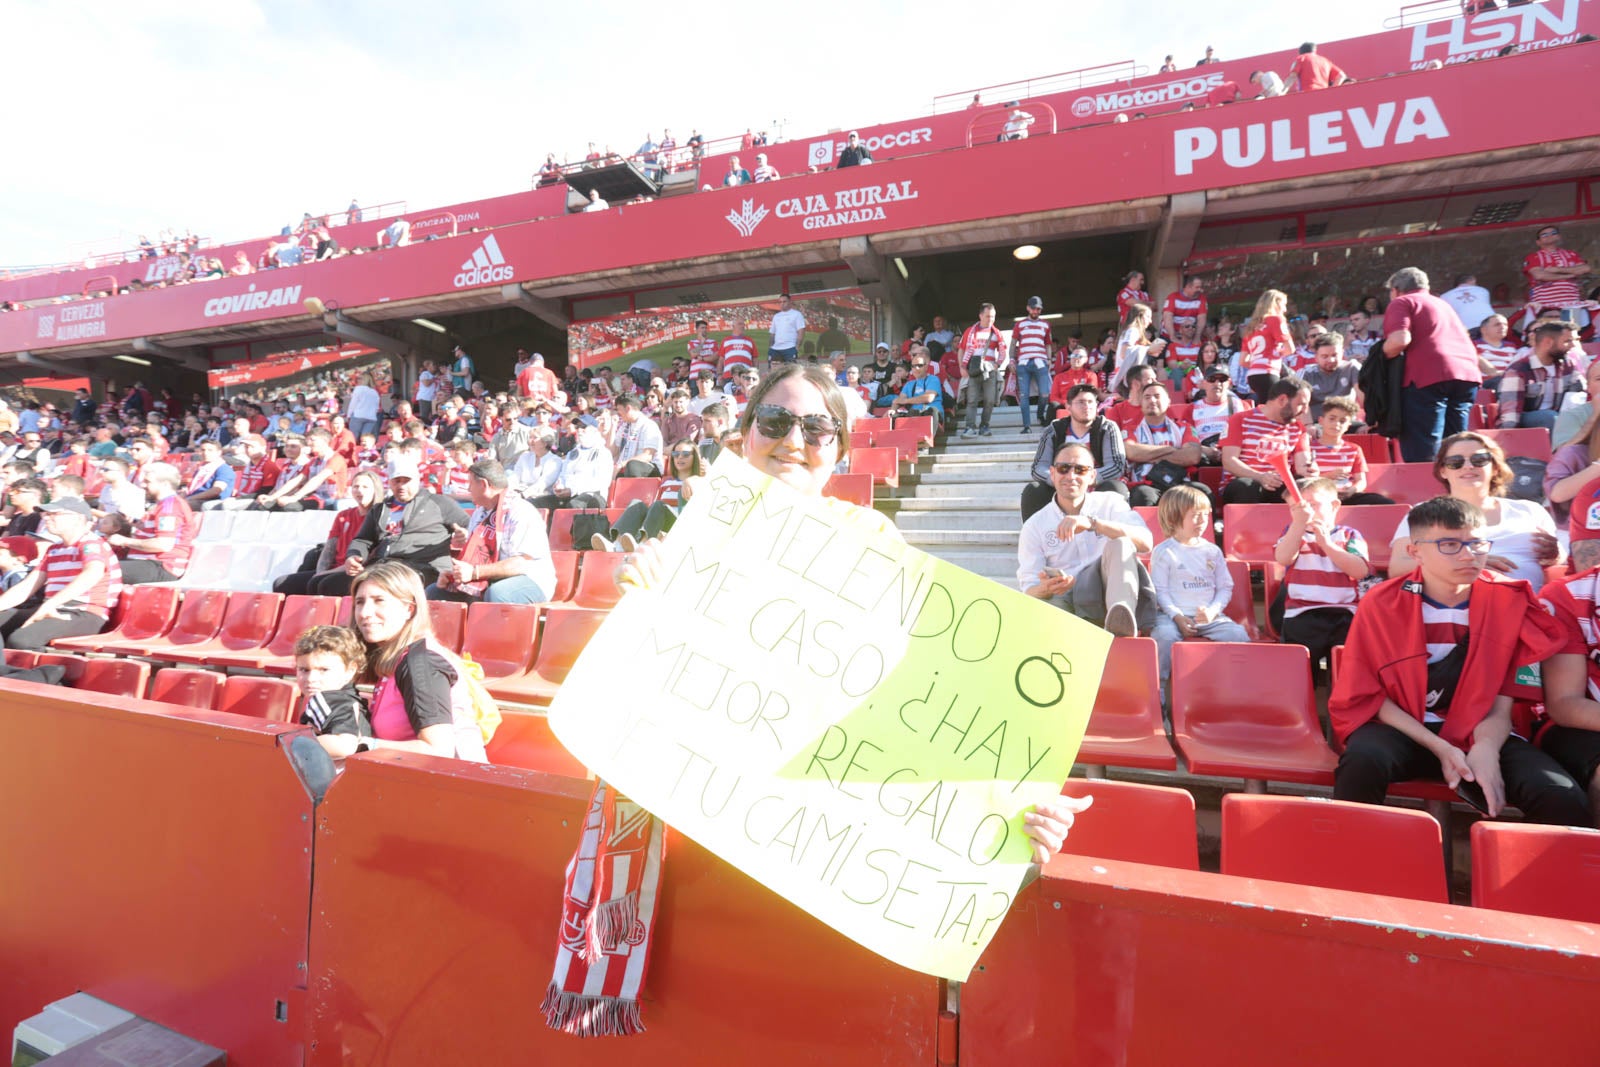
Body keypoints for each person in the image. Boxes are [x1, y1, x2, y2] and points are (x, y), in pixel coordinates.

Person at [1330, 496, 1589, 825]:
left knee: (1559, 794)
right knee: (1362, 762)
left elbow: (1502, 703)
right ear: (1415, 551)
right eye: (1450, 544)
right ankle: (1351, 870)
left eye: (1478, 543)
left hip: (1483, 729)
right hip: (1404, 730)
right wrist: (1441, 747)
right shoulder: (1382, 603)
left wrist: (1486, 748)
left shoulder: (1511, 600)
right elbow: (1370, 695)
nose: (1470, 555)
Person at [346, 561, 488, 762]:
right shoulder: (396, 658)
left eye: (379, 600)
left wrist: (362, 745)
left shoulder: (422, 664)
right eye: (360, 602)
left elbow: (439, 750)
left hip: (451, 785)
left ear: (409, 609)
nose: (364, 612)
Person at [1017, 443, 1155, 637]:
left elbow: (1146, 542)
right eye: (1063, 468)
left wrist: (1094, 524)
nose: (1071, 476)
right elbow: (1028, 588)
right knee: (1040, 612)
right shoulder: (1035, 525)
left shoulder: (1110, 503)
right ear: (1052, 473)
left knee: (1121, 543)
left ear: (1092, 476)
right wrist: (1045, 588)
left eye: (1080, 470)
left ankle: (1121, 618)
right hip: (1067, 597)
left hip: (1108, 590)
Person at [1389, 432, 1559, 588]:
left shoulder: (1530, 511)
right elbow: (1398, 567)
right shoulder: (1425, 513)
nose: (1468, 466)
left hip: (1526, 606)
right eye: (1455, 462)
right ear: (1443, 471)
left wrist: (1555, 555)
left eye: (1479, 460)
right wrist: (1468, 562)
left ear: (1495, 468)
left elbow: (1559, 563)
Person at [1149, 485, 1249, 690]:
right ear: (1172, 519)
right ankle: (1159, 690)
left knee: (1238, 635)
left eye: (1206, 515)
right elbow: (1160, 591)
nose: (1203, 521)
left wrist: (1212, 611)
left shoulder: (1212, 551)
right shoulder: (1164, 552)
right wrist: (1177, 616)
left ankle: (1236, 689)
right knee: (1164, 636)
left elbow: (1225, 587)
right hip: (1171, 617)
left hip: (1211, 619)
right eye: (1195, 515)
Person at [325, 456, 470, 596]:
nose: (401, 486)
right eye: (397, 481)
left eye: (406, 481)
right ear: (390, 482)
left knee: (363, 585)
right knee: (323, 584)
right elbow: (363, 539)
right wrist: (354, 556)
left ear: (417, 480)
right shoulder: (380, 509)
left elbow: (471, 526)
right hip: (384, 566)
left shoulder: (440, 503)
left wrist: (464, 534)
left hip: (423, 567)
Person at [1381, 267, 1483, 463]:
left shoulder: (1402, 301)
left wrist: (1377, 358)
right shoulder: (1443, 304)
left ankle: (1425, 489)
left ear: (1395, 289)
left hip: (1427, 376)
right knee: (1456, 445)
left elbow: (1399, 340)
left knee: (1424, 449)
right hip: (1466, 374)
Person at [1272, 478, 1371, 678]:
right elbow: (1283, 557)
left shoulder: (1349, 534)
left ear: (1334, 506)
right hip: (1302, 613)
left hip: (1345, 614)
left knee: (1347, 673)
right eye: (1296, 508)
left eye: (1313, 505)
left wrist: (1327, 544)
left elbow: (1360, 571)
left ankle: (1342, 705)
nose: (1306, 512)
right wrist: (1298, 524)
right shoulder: (1292, 533)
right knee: (1302, 674)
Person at [0, 498, 121, 651]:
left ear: (78, 518)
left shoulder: (91, 543)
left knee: (22, 640)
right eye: (46, 515)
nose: (46, 518)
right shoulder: (54, 549)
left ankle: (43, 673)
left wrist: (51, 603)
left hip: (84, 612)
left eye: (54, 514)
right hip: (54, 608)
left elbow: (93, 572)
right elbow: (27, 586)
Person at [1024, 384, 1129, 520]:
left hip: (1096, 484)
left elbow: (1116, 465)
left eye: (1091, 402)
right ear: (1068, 406)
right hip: (1063, 486)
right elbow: (1038, 468)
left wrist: (1086, 479)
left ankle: (1110, 535)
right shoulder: (1054, 430)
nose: (1087, 406)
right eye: (1081, 402)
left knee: (1115, 487)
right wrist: (1058, 480)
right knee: (1035, 489)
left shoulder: (1107, 427)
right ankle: (1037, 535)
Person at [1220, 378, 1313, 505]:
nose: (1305, 410)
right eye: (1301, 404)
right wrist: (1260, 476)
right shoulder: (1240, 419)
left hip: (1278, 483)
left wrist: (1310, 469)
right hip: (1244, 482)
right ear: (1282, 400)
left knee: (1302, 486)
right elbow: (1229, 461)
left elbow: (1303, 464)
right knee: (1246, 486)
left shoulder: (1297, 428)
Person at [110, 463, 198, 584]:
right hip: (149, 562)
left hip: (162, 565)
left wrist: (124, 541)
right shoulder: (164, 505)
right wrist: (133, 522)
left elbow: (163, 544)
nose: (142, 485)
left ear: (165, 484)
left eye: (147, 481)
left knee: (97, 570)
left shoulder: (170, 506)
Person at [293, 625, 374, 757]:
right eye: (304, 669)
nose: (311, 679)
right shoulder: (349, 698)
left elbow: (345, 746)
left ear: (350, 670)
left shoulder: (329, 699)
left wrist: (294, 744)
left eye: (324, 670)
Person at [1124, 383, 1208, 507]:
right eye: (1147, 397)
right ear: (1141, 403)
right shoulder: (1131, 429)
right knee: (1142, 495)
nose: (1152, 400)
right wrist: (1172, 450)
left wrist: (1148, 456)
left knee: (1203, 492)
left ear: (1168, 401)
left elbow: (1193, 456)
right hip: (1147, 483)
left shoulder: (1184, 427)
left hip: (1179, 482)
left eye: (1157, 396)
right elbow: (1131, 452)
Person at [1496, 320, 1583, 431]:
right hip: (1527, 420)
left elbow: (1580, 395)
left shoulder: (1568, 365)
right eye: (1568, 341)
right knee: (1548, 417)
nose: (1573, 345)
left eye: (1575, 340)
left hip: (1558, 418)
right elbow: (1510, 412)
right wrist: (1509, 437)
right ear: (1548, 342)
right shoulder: (1518, 370)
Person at [531, 415, 613, 509]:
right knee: (533, 503)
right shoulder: (572, 453)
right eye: (577, 427)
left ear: (594, 430)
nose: (579, 430)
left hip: (592, 495)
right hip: (569, 494)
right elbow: (563, 475)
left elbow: (601, 482)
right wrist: (559, 486)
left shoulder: (603, 453)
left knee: (574, 505)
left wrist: (573, 490)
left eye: (583, 427)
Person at [1523, 225, 1590, 328]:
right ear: (1538, 242)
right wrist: (1571, 274)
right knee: (1549, 333)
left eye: (1553, 233)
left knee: (1571, 332)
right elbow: (1539, 275)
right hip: (1546, 306)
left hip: (1571, 303)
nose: (1549, 236)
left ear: (1559, 237)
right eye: (1544, 234)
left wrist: (1558, 270)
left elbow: (1585, 269)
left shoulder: (1571, 254)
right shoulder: (1533, 257)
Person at [958, 303, 1009, 438]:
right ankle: (969, 427)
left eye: (993, 317)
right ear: (980, 316)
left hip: (990, 370)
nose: (990, 319)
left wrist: (997, 365)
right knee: (972, 400)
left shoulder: (996, 333)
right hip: (974, 370)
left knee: (990, 400)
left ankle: (984, 425)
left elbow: (1003, 352)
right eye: (987, 316)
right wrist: (962, 367)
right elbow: (961, 349)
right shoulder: (970, 331)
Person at [1240, 289, 1292, 401]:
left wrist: (1257, 363)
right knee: (1274, 410)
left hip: (1252, 376)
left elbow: (1242, 361)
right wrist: (1275, 355)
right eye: (1284, 305)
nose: (1285, 309)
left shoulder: (1251, 327)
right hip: (1269, 372)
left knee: (1264, 408)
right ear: (1276, 303)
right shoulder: (1276, 320)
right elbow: (1290, 349)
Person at [1012, 297, 1053, 435]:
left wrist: (1049, 359)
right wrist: (1012, 360)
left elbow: (1048, 344)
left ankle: (1040, 414)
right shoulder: (1019, 324)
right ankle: (1026, 425)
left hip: (1040, 361)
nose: (1036, 311)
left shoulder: (1046, 325)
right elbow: (1013, 344)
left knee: (1045, 393)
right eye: (1034, 308)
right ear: (1028, 308)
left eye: (1039, 308)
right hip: (1023, 363)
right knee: (1024, 395)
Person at [1107, 303, 1165, 396]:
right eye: (1148, 317)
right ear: (1140, 316)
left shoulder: (1130, 331)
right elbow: (1124, 352)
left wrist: (1151, 351)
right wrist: (1148, 349)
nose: (1150, 321)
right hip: (1129, 377)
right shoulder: (1133, 330)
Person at [183, 438, 236, 509]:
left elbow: (216, 491)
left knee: (180, 506)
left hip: (211, 502)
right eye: (203, 450)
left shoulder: (224, 469)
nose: (205, 453)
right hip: (194, 498)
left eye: (210, 450)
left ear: (219, 452)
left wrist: (190, 498)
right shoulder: (201, 468)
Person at [1282, 42, 1351, 92]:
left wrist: (1282, 92)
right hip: (1323, 94)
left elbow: (1292, 77)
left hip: (1307, 93)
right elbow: (1341, 75)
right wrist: (1332, 90)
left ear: (1300, 52)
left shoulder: (1301, 58)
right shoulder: (1325, 60)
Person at [768, 295, 807, 365]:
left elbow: (801, 331)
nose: (782, 304)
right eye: (780, 302)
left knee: (790, 372)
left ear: (790, 302)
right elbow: (772, 333)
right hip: (775, 349)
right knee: (774, 372)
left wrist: (797, 347)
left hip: (790, 348)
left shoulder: (797, 314)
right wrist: (770, 347)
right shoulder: (776, 316)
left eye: (784, 301)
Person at [345, 373, 382, 439]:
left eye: (359, 378)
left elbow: (353, 404)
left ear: (363, 380)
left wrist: (349, 415)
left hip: (358, 416)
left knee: (353, 439)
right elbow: (376, 407)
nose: (357, 380)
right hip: (371, 417)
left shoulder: (359, 388)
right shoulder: (374, 392)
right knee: (365, 439)